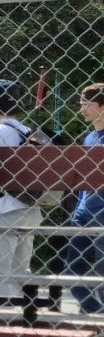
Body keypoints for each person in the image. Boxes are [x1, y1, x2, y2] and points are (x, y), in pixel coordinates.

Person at [0, 79, 39, 303]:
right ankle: (25, 316)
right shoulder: (28, 131)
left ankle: (2, 318)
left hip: (0, 209)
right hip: (28, 207)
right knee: (20, 272)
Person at [63, 84, 104, 316]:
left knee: (102, 266)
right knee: (72, 269)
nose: (82, 110)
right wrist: (79, 207)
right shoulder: (90, 137)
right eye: (81, 104)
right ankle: (94, 311)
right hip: (84, 210)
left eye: (87, 104)